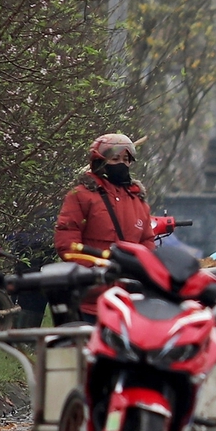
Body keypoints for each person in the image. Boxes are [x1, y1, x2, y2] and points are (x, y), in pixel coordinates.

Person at [54, 134, 155, 318]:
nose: (122, 164)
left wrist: (141, 270)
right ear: (99, 162)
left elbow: (147, 242)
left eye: (126, 159)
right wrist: (93, 273)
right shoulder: (80, 195)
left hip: (129, 300)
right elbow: (67, 241)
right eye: (115, 159)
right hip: (90, 300)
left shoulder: (137, 200)